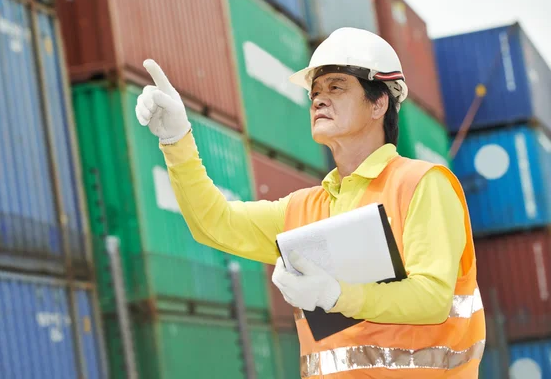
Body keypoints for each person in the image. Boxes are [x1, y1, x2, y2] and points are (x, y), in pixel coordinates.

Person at [134, 27, 485, 378]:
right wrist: (176, 138)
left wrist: (338, 296)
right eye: (314, 92)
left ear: (379, 102)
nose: (318, 99)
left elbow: (433, 299)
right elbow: (214, 223)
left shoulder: (421, 184)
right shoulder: (302, 209)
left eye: (336, 86)